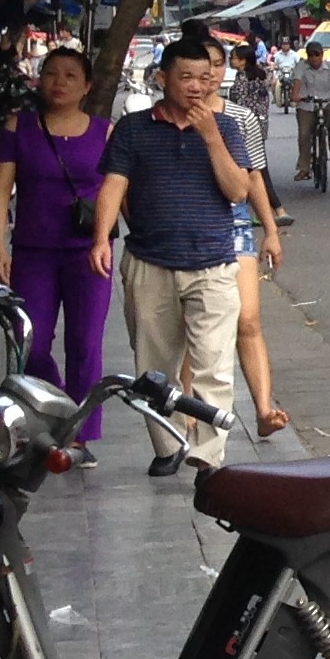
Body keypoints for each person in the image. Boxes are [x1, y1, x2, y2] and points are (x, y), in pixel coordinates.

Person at [89, 35, 254, 477]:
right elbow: (113, 186)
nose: (198, 86)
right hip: (149, 263)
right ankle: (167, 446)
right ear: (162, 78)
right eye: (186, 77)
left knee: (214, 367)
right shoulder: (134, 129)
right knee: (153, 369)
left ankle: (208, 456)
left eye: (205, 77)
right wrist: (102, 237)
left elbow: (238, 191)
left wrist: (210, 135)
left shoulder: (228, 128)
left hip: (214, 265)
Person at [0, 46, 111, 461]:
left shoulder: (105, 133)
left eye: (70, 76)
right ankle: (57, 408)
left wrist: (118, 243)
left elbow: (118, 192)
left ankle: (78, 435)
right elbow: (1, 190)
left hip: (89, 254)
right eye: (50, 73)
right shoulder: (18, 127)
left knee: (85, 343)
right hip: (33, 252)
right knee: (30, 344)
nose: (59, 82)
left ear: (86, 86)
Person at [198, 50, 292, 439]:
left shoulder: (240, 117)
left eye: (216, 66)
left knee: (248, 319)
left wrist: (269, 229)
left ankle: (264, 409)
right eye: (200, 68)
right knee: (194, 329)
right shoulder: (163, 119)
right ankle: (191, 416)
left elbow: (254, 177)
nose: (208, 76)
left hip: (234, 223)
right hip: (187, 227)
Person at [289, 41, 330, 175]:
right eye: (311, 56)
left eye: (317, 55)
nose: (315, 59)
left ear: (322, 55)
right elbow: (297, 81)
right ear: (307, 56)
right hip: (306, 104)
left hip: (327, 102)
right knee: (304, 134)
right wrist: (295, 95)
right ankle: (304, 168)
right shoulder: (301, 66)